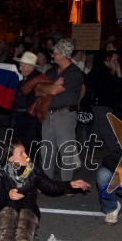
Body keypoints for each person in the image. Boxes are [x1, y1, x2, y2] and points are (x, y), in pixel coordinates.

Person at [0, 138, 90, 241]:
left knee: (28, 210)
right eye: (21, 153)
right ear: (10, 158)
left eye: (25, 152)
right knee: (10, 208)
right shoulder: (2, 172)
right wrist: (7, 194)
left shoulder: (32, 168)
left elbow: (49, 185)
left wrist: (69, 184)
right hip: (10, 204)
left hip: (28, 202)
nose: (26, 156)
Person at [35, 39, 83, 183]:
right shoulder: (51, 71)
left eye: (55, 52)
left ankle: (66, 184)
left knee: (66, 152)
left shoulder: (74, 72)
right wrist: (49, 88)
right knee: (46, 152)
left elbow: (54, 90)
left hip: (65, 115)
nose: (52, 55)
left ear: (63, 54)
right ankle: (47, 184)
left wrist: (48, 88)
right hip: (48, 115)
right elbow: (37, 90)